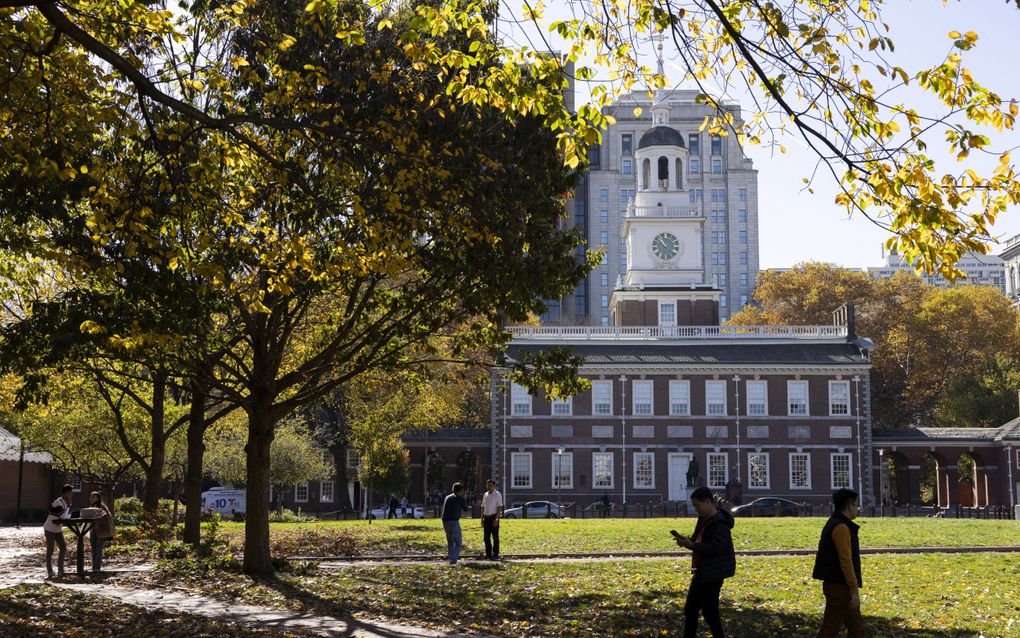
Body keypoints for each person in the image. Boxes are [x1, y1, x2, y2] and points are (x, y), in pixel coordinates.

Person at [674, 486, 736, 638]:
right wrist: (687, 540)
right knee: (690, 609)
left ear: (707, 502)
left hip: (713, 573)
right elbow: (698, 539)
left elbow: (715, 548)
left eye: (697, 505)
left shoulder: (720, 523)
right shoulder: (703, 519)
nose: (696, 509)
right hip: (702, 570)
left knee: (710, 613)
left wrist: (693, 546)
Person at [813, 488, 866, 638]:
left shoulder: (835, 523)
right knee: (830, 630)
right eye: (856, 505)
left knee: (857, 630)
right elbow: (845, 561)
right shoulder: (841, 528)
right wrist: (854, 590)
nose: (857, 509)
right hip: (839, 587)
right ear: (849, 507)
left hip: (839, 586)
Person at [43, 484, 73, 579]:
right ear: (65, 493)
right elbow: (62, 516)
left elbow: (64, 516)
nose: (71, 495)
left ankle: (61, 570)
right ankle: (50, 572)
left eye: (71, 493)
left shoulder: (64, 503)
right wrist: (68, 506)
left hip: (58, 529)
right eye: (70, 493)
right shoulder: (58, 502)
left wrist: (68, 506)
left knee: (63, 548)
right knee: (50, 550)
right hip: (50, 529)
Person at [441, 482, 469, 564]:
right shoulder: (460, 498)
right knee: (458, 542)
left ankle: (451, 558)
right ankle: (453, 560)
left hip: (445, 521)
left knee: (450, 541)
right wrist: (465, 499)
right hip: (454, 521)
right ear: (460, 490)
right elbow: (466, 509)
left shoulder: (447, 497)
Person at [88, 491, 114, 574]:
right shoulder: (90, 508)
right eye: (90, 497)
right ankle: (94, 568)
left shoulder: (102, 507)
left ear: (98, 498)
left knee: (98, 549)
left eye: (93, 497)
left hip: (102, 531)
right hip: (93, 531)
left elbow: (109, 516)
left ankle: (97, 568)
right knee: (93, 549)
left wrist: (101, 518)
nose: (91, 499)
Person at [480, 479, 503, 560]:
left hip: (494, 517)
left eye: (490, 485)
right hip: (486, 518)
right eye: (487, 485)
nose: (488, 487)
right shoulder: (485, 495)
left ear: (494, 486)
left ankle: (496, 554)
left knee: (495, 537)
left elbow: (499, 507)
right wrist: (481, 518)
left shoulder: (497, 494)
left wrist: (496, 519)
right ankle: (488, 554)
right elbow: (482, 507)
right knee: (486, 537)